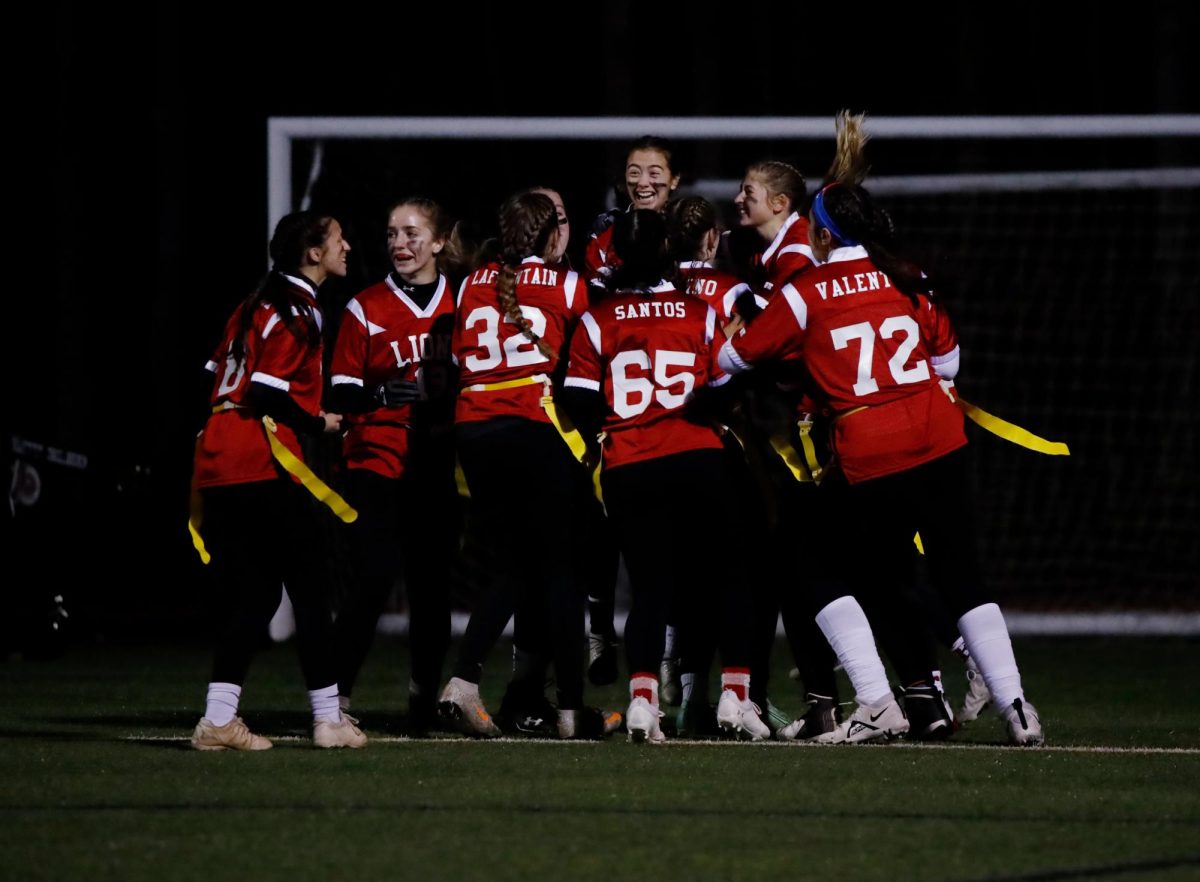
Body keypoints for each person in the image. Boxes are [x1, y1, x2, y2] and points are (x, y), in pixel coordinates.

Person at [718, 113, 1043, 747]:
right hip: (941, 437)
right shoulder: (906, 276)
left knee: (813, 563)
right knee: (960, 574)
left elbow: (737, 358)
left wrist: (733, 332)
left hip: (872, 450)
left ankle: (874, 700)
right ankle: (1017, 707)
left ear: (822, 232)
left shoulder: (808, 290)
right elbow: (947, 362)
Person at [561, 209, 769, 743]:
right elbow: (729, 380)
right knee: (731, 577)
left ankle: (641, 702)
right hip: (697, 456)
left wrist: (616, 428)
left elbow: (578, 400)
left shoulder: (595, 317)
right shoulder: (698, 312)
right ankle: (735, 697)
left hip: (631, 464)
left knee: (651, 589)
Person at [440, 190, 615, 739]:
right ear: (552, 235)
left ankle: (463, 683)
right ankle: (569, 710)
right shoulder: (568, 285)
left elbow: (453, 358)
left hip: (473, 430)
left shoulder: (469, 283)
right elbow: (595, 358)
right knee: (559, 570)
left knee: (516, 568)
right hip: (534, 425)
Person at [190, 210, 367, 750]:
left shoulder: (252, 304)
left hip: (216, 457)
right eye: (339, 239)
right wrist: (318, 421)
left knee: (256, 595)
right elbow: (266, 391)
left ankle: (218, 719)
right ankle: (328, 719)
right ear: (312, 253)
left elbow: (212, 377)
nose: (348, 247)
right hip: (260, 459)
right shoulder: (299, 308)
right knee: (313, 589)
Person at [327, 197, 459, 734]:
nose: (399, 244)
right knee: (373, 578)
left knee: (433, 589)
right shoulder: (365, 306)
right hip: (376, 458)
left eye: (411, 233)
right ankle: (333, 698)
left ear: (439, 241)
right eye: (391, 234)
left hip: (437, 463)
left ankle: (422, 698)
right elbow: (340, 388)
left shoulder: (465, 301)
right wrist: (379, 393)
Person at [584, 135, 682, 290]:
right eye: (634, 173)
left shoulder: (686, 228)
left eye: (654, 173)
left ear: (674, 180)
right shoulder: (606, 227)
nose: (642, 183)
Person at [733, 158, 815, 298]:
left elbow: (767, 313)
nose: (738, 199)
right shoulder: (752, 241)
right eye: (741, 191)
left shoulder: (800, 250)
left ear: (779, 203)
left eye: (748, 192)